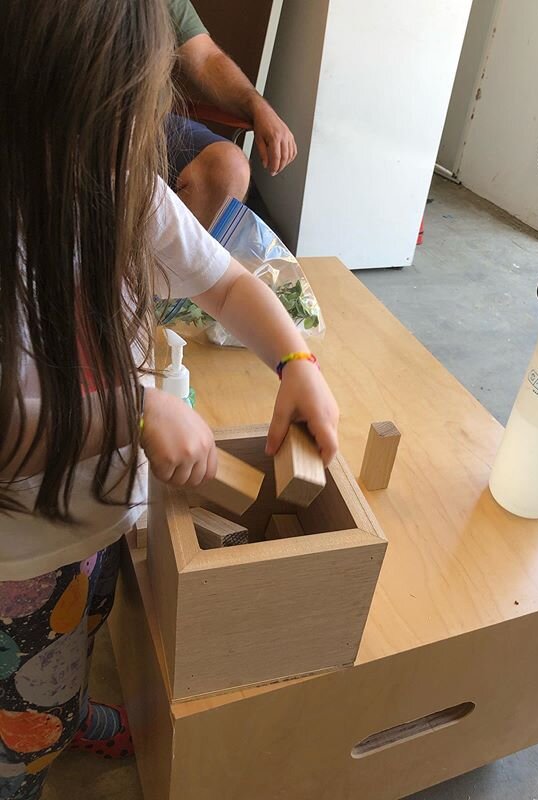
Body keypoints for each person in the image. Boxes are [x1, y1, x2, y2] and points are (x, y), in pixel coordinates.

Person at [0, 1, 337, 797]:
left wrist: (296, 358)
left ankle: (68, 703)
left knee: (82, 626)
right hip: (19, 555)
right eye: (127, 110)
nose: (140, 134)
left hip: (101, 511)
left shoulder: (114, 182)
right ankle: (29, 757)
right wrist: (136, 411)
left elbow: (224, 282)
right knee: (21, 720)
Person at [167, 0, 297, 228]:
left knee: (229, 166)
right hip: (86, 125)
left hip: (149, 124)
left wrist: (257, 105)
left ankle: (167, 264)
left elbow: (206, 59)